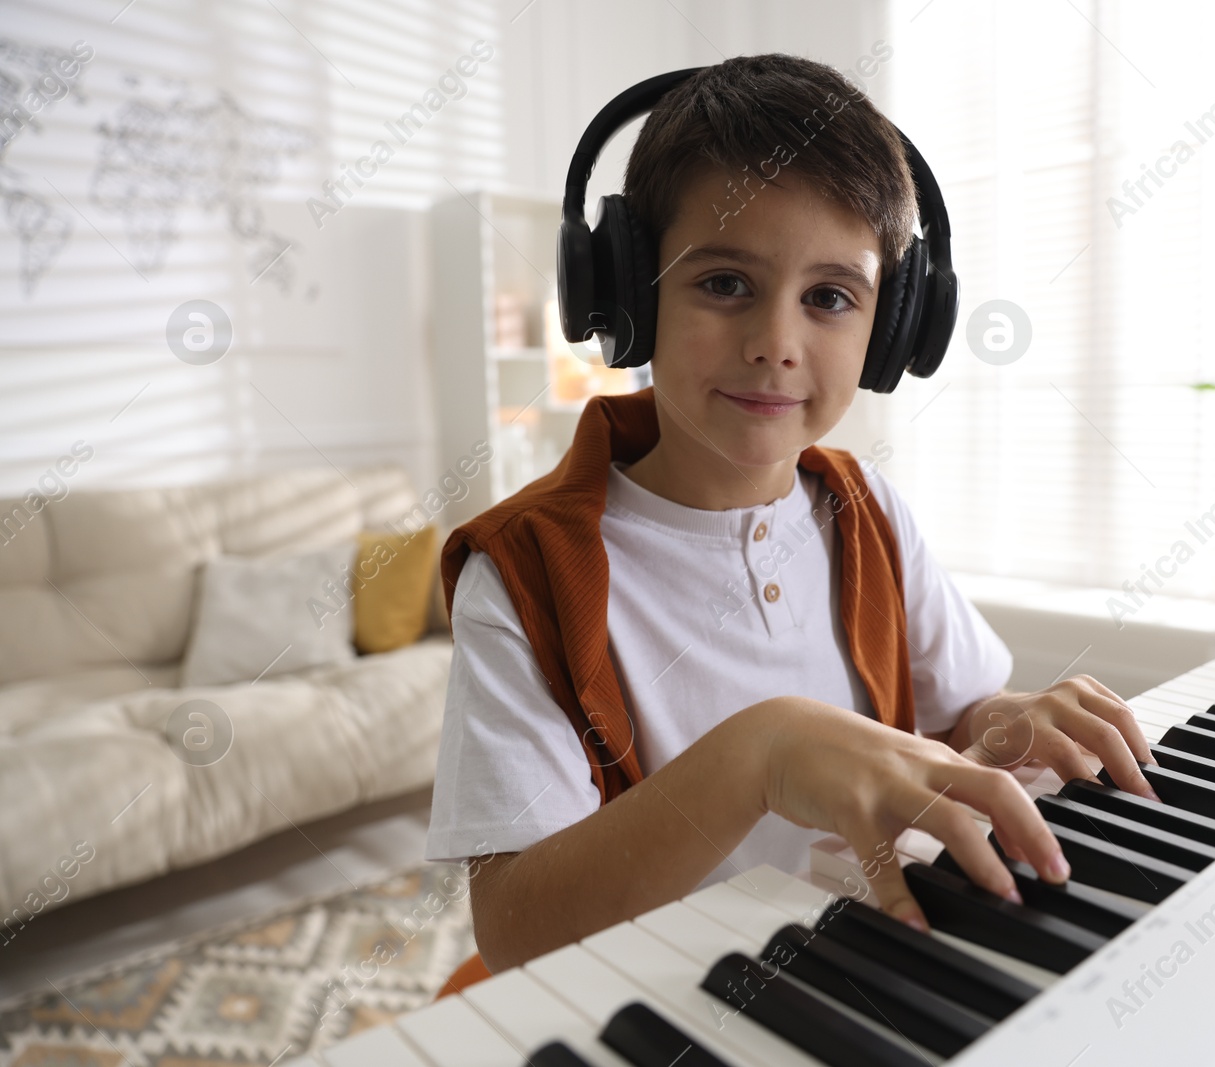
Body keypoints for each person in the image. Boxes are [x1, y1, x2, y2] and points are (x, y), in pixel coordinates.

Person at [423, 53, 1158, 979]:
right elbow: (517, 927)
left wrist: (1009, 723)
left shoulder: (867, 509)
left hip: (854, 973)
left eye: (830, 297)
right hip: (650, 1004)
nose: (776, 344)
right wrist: (759, 752)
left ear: (893, 329)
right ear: (627, 294)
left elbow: (966, 710)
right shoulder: (523, 570)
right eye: (724, 282)